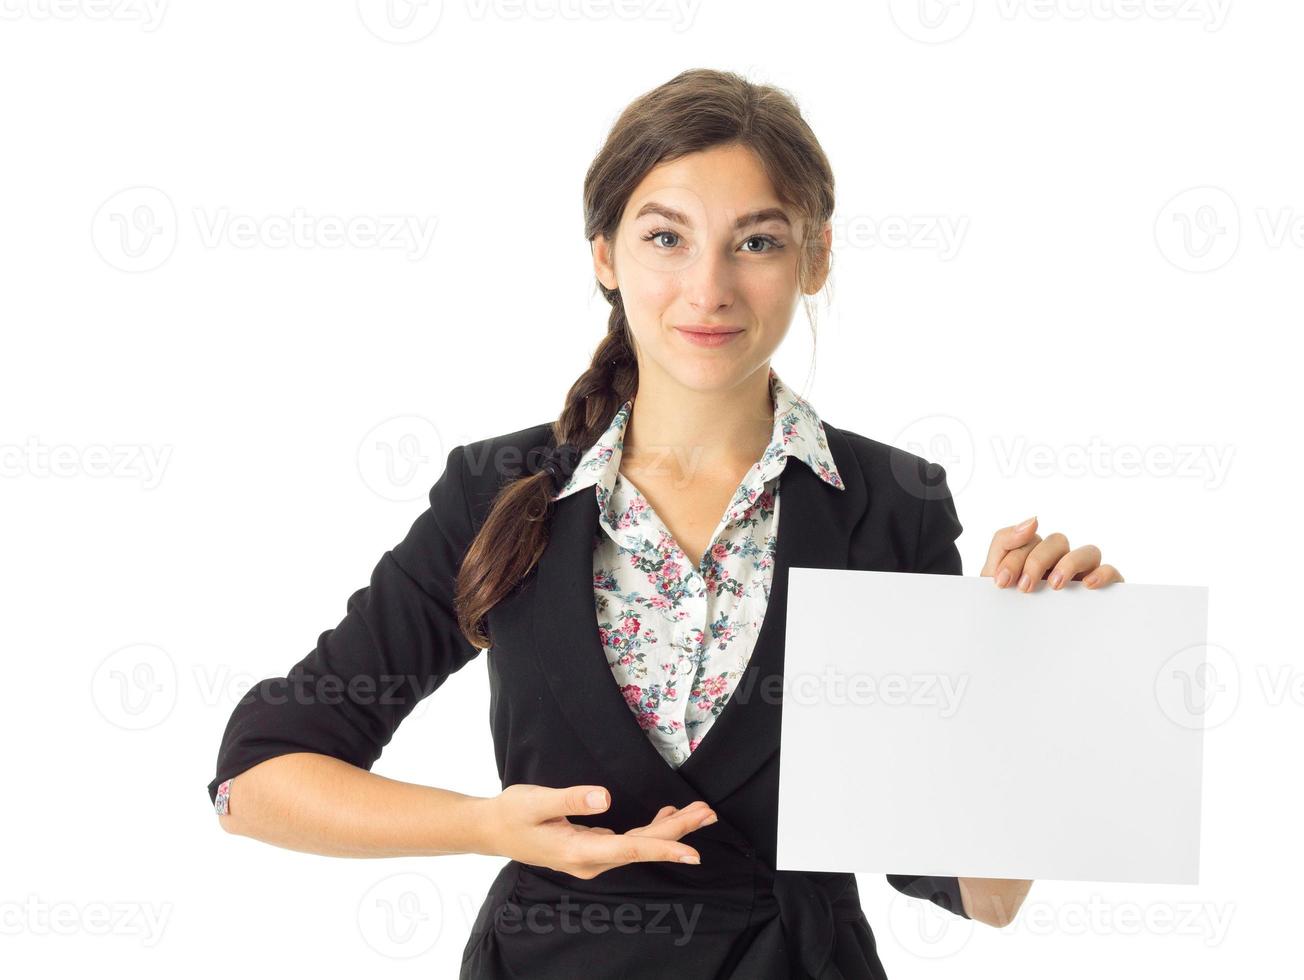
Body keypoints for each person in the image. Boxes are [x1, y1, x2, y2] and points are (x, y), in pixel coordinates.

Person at [206, 68, 1124, 979]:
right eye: (665, 238)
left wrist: (1043, 670)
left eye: (756, 242)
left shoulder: (890, 504)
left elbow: (981, 892)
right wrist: (486, 826)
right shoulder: (496, 491)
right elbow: (257, 781)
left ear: (816, 257)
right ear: (605, 255)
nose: (709, 287)